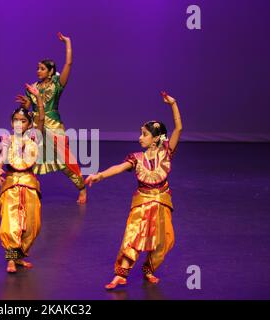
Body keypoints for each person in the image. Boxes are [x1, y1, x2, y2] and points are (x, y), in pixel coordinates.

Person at [85, 92, 183, 289]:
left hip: (162, 202)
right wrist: (99, 175)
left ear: (156, 138)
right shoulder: (136, 157)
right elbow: (119, 168)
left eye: (144, 134)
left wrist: (173, 104)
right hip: (142, 203)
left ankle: (149, 268)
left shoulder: (166, 153)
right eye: (140, 133)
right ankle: (121, 275)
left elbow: (178, 128)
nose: (140, 138)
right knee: (132, 237)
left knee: (165, 241)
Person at [16, 32, 86, 204]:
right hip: (36, 125)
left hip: (53, 126)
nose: (37, 71)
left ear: (50, 71)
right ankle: (30, 190)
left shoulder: (57, 84)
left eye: (41, 69)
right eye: (37, 68)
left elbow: (69, 63)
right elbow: (29, 109)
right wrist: (26, 104)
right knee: (29, 157)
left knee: (65, 159)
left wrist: (68, 42)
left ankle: (82, 189)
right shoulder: (32, 88)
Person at [0, 83, 45, 273]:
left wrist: (38, 98)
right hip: (12, 184)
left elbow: (41, 118)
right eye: (15, 120)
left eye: (22, 121)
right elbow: (1, 158)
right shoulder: (7, 139)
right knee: (11, 222)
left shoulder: (33, 138)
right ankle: (11, 259)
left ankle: (20, 255)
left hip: (30, 185)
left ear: (29, 124)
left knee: (32, 225)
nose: (18, 124)